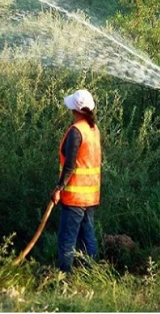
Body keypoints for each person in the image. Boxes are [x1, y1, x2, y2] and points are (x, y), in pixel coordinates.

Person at [50, 89, 102, 273]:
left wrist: (58, 188)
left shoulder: (76, 131)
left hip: (74, 197)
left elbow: (70, 165)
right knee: (88, 237)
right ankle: (92, 275)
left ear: (76, 110)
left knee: (67, 239)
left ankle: (64, 278)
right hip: (90, 197)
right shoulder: (93, 130)